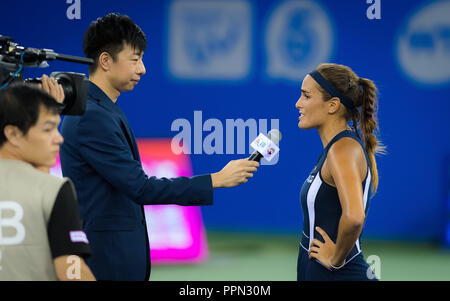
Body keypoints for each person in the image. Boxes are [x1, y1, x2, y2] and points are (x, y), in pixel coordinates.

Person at [60, 13, 259, 281]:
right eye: (135, 59)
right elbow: (140, 187)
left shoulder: (102, 109)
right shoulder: (92, 117)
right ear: (105, 61)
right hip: (107, 263)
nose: (142, 69)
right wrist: (216, 180)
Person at [295, 63, 384, 281]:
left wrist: (335, 259)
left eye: (306, 96)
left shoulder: (343, 150)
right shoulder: (335, 149)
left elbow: (354, 217)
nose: (298, 104)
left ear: (333, 105)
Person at [0, 83, 95, 281]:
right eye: (48, 129)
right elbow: (71, 271)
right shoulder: (53, 190)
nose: (59, 138)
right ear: (13, 134)